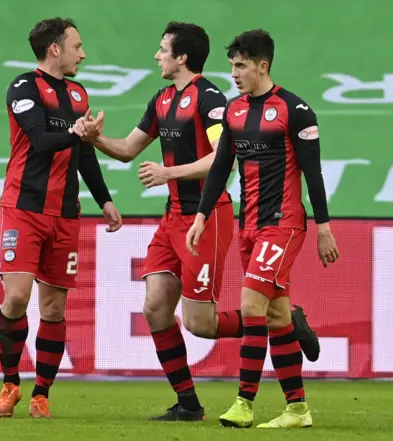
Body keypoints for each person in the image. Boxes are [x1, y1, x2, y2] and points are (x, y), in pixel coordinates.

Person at [76, 22, 320, 422]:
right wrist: (95, 139)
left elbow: (221, 158)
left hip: (208, 217)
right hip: (171, 219)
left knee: (200, 324)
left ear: (181, 57)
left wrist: (170, 174)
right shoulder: (162, 99)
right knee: (155, 309)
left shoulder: (209, 99)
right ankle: (188, 403)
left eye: (162, 49)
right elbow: (128, 150)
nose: (156, 56)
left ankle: (285, 319)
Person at [186, 29, 340, 429]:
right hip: (248, 226)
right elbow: (221, 166)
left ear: (262, 66)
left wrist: (323, 227)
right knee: (275, 316)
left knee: (252, 307)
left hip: (284, 226)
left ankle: (244, 403)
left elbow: (314, 174)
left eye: (241, 66)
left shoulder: (295, 110)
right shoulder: (234, 110)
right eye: (232, 65)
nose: (234, 73)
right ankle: (297, 409)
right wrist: (202, 216)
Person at [0, 17, 122, 420]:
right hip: (24, 209)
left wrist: (104, 200)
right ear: (55, 48)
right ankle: (10, 382)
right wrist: (79, 132)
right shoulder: (23, 87)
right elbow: (39, 139)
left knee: (53, 310)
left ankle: (41, 393)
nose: (82, 53)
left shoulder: (79, 95)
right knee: (16, 297)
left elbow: (84, 155)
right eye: (76, 46)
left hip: (66, 214)